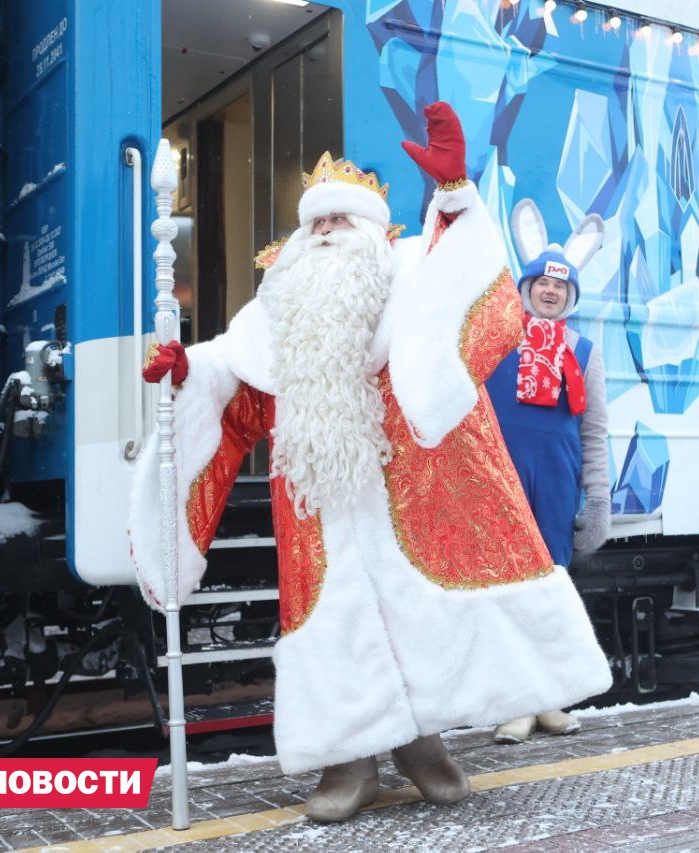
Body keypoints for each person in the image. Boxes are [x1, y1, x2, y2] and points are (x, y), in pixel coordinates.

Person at [131, 103, 611, 823]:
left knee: (415, 615)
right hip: (318, 509)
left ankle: (422, 743)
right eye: (315, 223)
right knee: (333, 625)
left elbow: (467, 288)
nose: (326, 233)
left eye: (340, 221)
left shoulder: (408, 282)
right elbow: (241, 390)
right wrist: (184, 373)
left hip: (406, 495)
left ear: (372, 234)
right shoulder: (274, 314)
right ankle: (347, 762)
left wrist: (456, 193)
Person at [484, 200, 609, 744]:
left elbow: (595, 432)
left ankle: (550, 699)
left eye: (561, 287)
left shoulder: (584, 350)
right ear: (527, 288)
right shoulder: (495, 343)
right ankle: (516, 701)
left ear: (570, 295)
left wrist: (598, 501)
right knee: (508, 590)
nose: (550, 292)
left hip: (558, 483)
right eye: (541, 284)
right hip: (504, 480)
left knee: (552, 589)